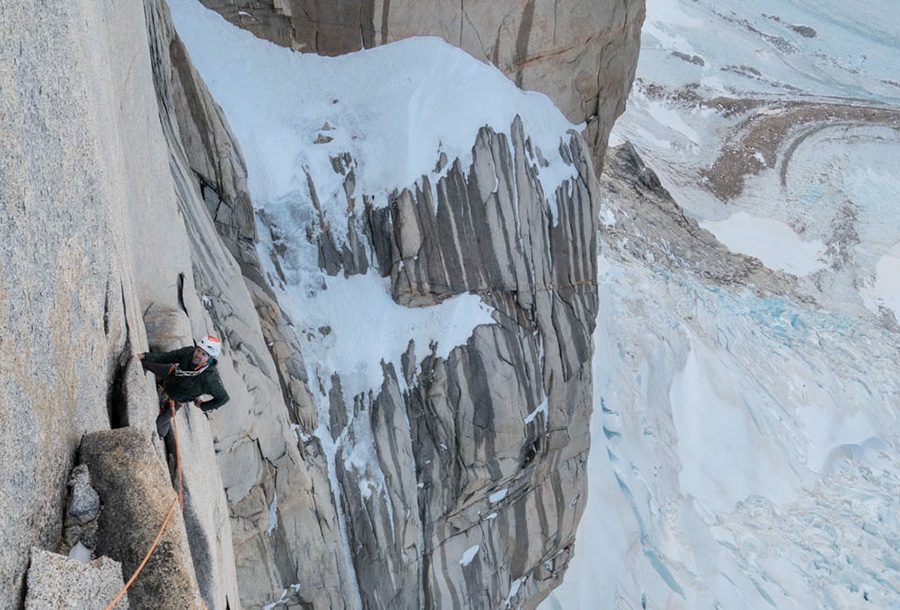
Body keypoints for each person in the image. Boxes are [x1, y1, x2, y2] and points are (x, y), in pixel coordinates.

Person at [137, 335, 230, 437]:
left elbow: (223, 398)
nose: (198, 355)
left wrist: (203, 405)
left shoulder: (210, 379)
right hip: (171, 375)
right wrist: (143, 356)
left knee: (160, 425)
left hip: (177, 398)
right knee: (145, 361)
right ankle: (150, 380)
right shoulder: (188, 353)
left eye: (203, 354)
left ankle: (161, 436)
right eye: (198, 350)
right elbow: (166, 357)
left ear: (210, 358)